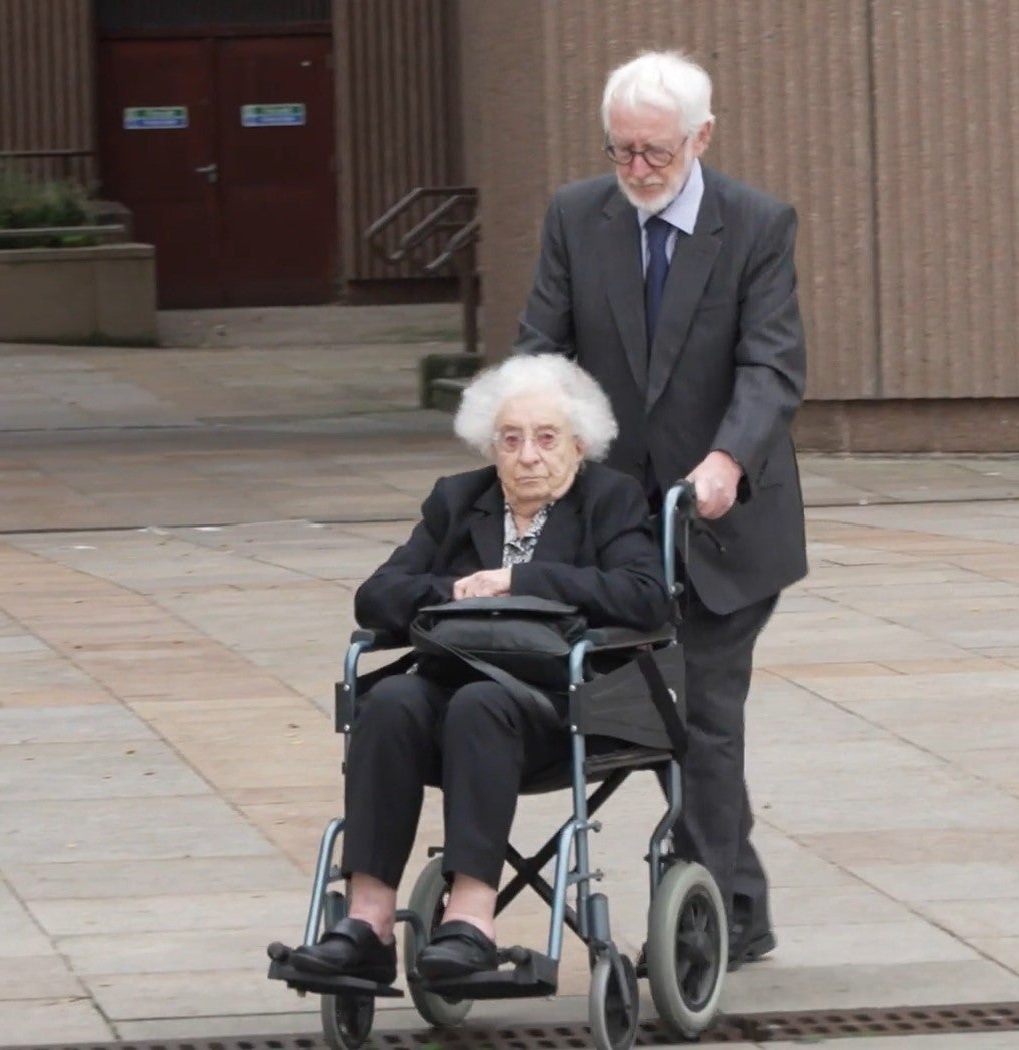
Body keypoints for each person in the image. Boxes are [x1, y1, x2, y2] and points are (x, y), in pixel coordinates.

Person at [514, 49, 808, 971]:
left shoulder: (755, 224)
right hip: (616, 525)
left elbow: (770, 366)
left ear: (700, 138)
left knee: (702, 716)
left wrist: (726, 458)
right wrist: (530, 442)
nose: (637, 171)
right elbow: (542, 347)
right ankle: (742, 907)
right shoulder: (576, 215)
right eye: (621, 153)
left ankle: (695, 932)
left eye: (656, 154)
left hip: (725, 519)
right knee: (662, 717)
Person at [287, 353, 671, 986]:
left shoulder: (611, 499)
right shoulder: (459, 500)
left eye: (546, 439)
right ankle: (367, 924)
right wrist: (458, 591)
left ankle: (470, 921)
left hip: (558, 708)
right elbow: (377, 595)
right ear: (490, 446)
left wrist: (520, 582)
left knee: (479, 705)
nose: (527, 456)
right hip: (451, 695)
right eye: (510, 439)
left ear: (579, 444)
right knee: (388, 702)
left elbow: (645, 596)